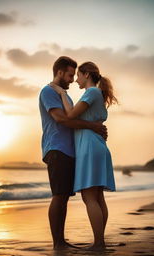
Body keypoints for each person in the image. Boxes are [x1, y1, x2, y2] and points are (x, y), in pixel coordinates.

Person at [39, 56, 108, 250]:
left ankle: (63, 241)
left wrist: (92, 128)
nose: (72, 79)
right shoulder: (48, 91)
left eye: (75, 75)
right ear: (59, 72)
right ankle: (58, 243)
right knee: (59, 195)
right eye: (70, 75)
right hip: (57, 148)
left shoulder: (66, 95)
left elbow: (73, 118)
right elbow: (62, 119)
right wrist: (93, 126)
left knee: (64, 196)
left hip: (71, 151)